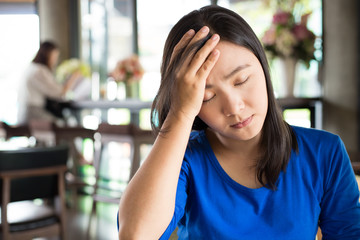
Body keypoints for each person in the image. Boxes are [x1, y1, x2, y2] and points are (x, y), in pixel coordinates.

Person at [117, 5, 360, 239]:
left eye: (241, 80)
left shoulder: (324, 153)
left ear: (264, 68)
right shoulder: (185, 160)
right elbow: (135, 235)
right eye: (207, 96)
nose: (234, 107)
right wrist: (180, 112)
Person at [17, 41, 79, 124]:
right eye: (54, 56)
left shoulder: (31, 68)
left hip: (24, 112)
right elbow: (60, 92)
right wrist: (74, 77)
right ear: (47, 55)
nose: (55, 60)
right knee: (63, 125)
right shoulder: (39, 71)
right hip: (33, 112)